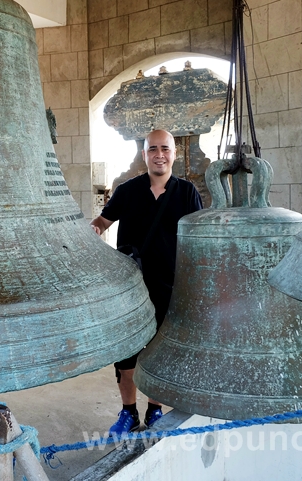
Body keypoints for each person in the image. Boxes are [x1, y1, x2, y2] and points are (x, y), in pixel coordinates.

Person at [90, 129, 203, 434]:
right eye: (152, 149)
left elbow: (197, 238)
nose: (159, 154)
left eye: (165, 148)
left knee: (158, 353)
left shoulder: (187, 192)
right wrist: (94, 229)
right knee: (126, 356)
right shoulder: (128, 191)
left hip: (169, 286)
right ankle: (128, 412)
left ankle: (154, 410)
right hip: (131, 288)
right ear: (144, 155)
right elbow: (103, 220)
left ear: (174, 153)